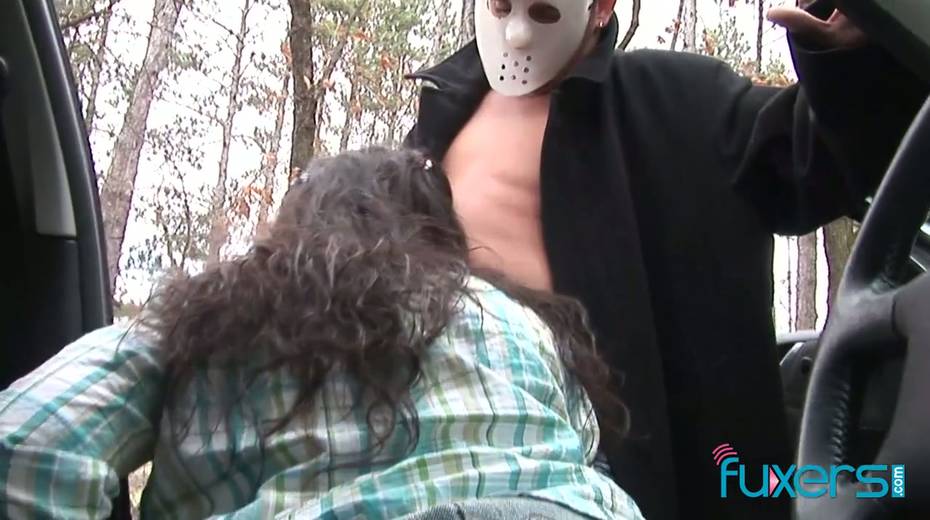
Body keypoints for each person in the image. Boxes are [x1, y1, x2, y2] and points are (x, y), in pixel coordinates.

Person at [402, 1, 930, 519]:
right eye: (501, 8)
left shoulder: (680, 104)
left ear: (600, 8)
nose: (517, 34)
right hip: (446, 444)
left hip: (614, 467)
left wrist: (856, 56)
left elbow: (820, 163)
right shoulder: (439, 121)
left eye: (543, 12)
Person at [0, 148, 642, 519]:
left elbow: (25, 443)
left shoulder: (212, 314)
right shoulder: (516, 320)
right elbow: (584, 452)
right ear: (440, 229)